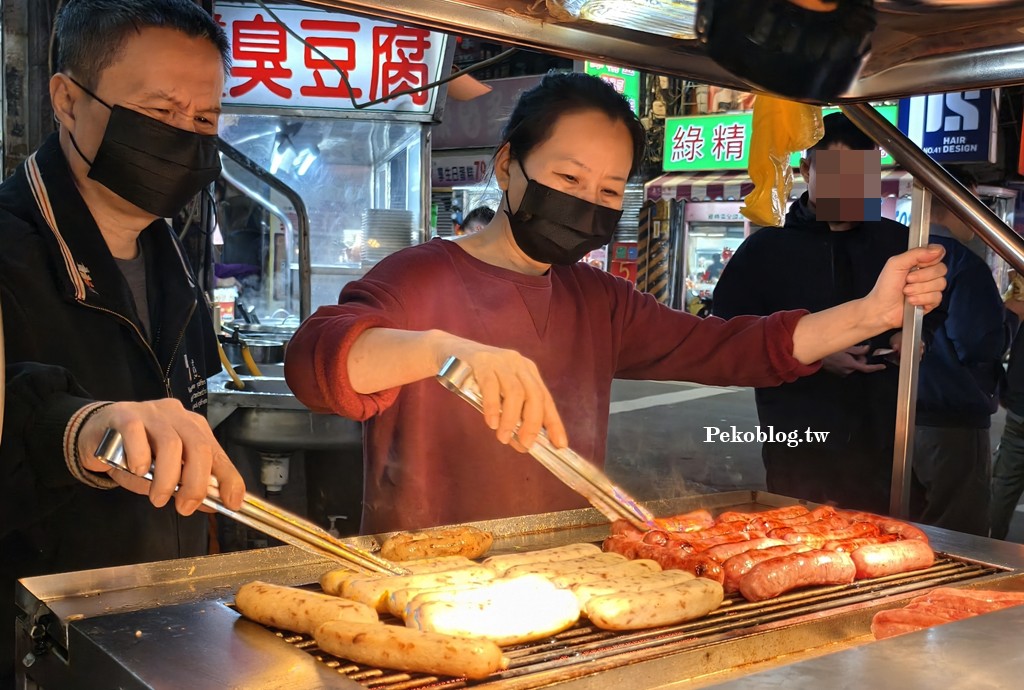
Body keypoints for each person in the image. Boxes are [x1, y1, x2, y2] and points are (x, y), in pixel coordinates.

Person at [284, 73, 946, 534]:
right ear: (507, 164)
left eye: (608, 192)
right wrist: (439, 350)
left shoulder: (598, 301)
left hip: (569, 568)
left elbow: (732, 348)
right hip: (428, 573)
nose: (587, 204)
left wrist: (871, 312)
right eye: (568, 178)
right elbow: (316, 367)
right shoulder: (418, 278)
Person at [0, 1, 245, 684]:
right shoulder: (9, 251)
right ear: (67, 100)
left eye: (203, 121)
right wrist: (80, 429)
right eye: (161, 113)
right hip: (38, 656)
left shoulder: (173, 260)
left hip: (164, 646)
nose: (185, 138)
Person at [713, 112, 941, 514]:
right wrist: (813, 356)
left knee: (883, 532)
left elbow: (933, 309)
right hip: (798, 437)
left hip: (883, 435)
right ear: (806, 169)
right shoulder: (767, 249)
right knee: (799, 532)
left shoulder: (898, 241)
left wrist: (911, 335)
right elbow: (730, 332)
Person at [910, 168, 1010, 536]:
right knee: (957, 531)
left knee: (907, 526)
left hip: (899, 413)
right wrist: (1011, 318)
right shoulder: (967, 267)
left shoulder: (900, 258)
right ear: (957, 204)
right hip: (952, 418)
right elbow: (979, 345)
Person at [991, 288, 1024, 540]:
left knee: (1003, 485)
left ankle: (991, 546)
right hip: (1018, 410)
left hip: (1019, 410)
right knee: (1002, 487)